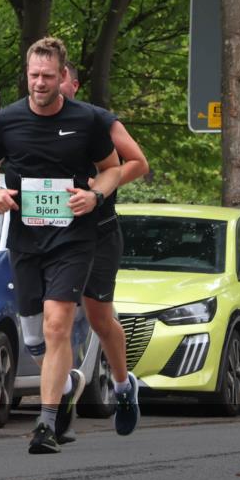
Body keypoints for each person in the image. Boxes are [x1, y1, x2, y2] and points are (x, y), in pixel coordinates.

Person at [0, 37, 121, 454]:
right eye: (34, 75)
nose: (40, 83)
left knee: (59, 325)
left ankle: (47, 423)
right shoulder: (8, 120)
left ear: (63, 77)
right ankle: (67, 381)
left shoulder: (86, 120)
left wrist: (95, 197)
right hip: (26, 238)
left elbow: (111, 169)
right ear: (27, 74)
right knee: (35, 336)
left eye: (48, 76)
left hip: (73, 236)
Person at [60, 62, 147, 437]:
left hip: (98, 232)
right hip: (53, 236)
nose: (48, 84)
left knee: (98, 318)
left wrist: (99, 187)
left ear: (73, 84)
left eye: (58, 77)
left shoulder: (97, 120)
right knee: (54, 318)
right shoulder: (24, 121)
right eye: (39, 76)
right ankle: (59, 398)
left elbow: (138, 163)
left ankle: (124, 386)